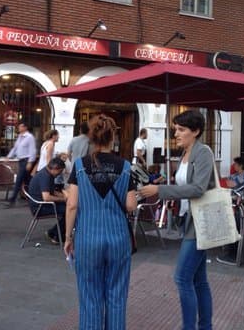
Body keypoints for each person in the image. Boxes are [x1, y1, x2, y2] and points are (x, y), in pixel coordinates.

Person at [139, 110, 215, 330]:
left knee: (182, 278)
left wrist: (160, 189)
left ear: (196, 131)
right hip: (187, 220)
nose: (176, 133)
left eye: (181, 129)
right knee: (199, 280)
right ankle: (205, 327)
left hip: (199, 224)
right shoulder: (185, 153)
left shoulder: (203, 153)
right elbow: (184, 186)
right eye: (175, 129)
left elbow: (198, 188)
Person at [64, 114, 137, 330]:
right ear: (112, 136)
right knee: (117, 294)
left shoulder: (79, 165)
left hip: (88, 239)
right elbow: (131, 205)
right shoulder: (124, 166)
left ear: (92, 137)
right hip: (118, 239)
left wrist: (68, 237)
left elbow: (72, 205)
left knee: (89, 294)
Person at [28, 157, 67, 245]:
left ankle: (53, 232)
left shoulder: (47, 173)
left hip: (42, 205)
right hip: (39, 208)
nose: (60, 174)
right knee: (69, 210)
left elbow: (52, 191)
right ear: (54, 169)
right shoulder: (45, 176)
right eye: (60, 171)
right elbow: (46, 197)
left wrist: (66, 197)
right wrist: (63, 199)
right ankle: (56, 236)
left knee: (68, 207)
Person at [4, 122, 36, 208]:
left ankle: (12, 200)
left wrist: (30, 162)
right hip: (21, 161)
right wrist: (9, 156)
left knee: (19, 180)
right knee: (28, 181)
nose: (18, 128)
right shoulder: (20, 137)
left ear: (25, 127)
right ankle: (34, 199)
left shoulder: (29, 137)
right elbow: (15, 148)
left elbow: (32, 150)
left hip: (26, 161)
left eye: (20, 127)